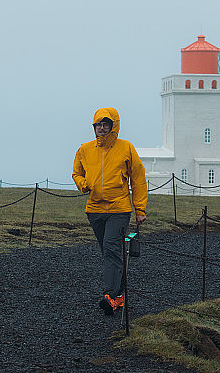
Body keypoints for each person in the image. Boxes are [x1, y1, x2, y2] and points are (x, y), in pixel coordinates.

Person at [72, 107, 148, 315]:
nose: (102, 128)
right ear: (94, 127)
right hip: (95, 210)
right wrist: (83, 184)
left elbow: (138, 178)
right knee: (109, 252)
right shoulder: (85, 149)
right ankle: (120, 295)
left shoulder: (126, 148)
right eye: (98, 125)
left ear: (114, 126)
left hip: (119, 209)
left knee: (112, 248)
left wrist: (140, 208)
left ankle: (111, 296)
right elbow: (76, 172)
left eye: (106, 124)